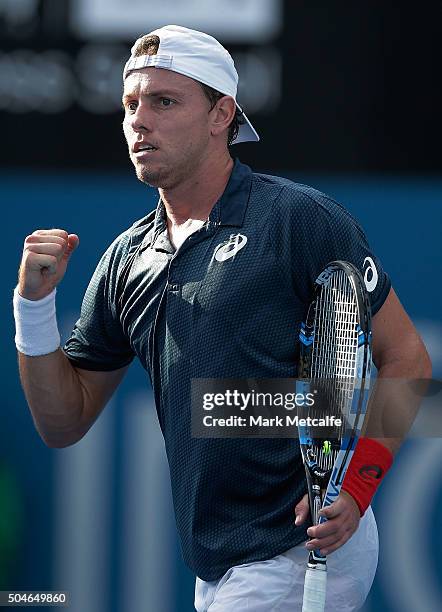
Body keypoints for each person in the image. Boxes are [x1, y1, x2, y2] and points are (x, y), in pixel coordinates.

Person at [14, 25, 431, 611]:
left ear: (220, 115)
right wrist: (32, 307)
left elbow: (407, 356)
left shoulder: (298, 219)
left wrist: (358, 486)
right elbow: (63, 423)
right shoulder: (124, 261)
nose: (140, 120)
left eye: (164, 101)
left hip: (299, 546)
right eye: (131, 103)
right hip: (217, 563)